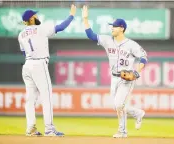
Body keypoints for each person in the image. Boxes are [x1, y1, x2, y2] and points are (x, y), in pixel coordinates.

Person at [82, 5, 147, 138]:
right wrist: (85, 18)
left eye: (115, 26)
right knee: (117, 106)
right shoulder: (107, 40)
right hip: (114, 78)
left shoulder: (131, 44)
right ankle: (137, 113)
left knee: (119, 104)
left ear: (122, 28)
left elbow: (143, 57)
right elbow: (91, 35)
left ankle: (122, 132)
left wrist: (137, 71)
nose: (112, 28)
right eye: (112, 26)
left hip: (126, 79)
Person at [18, 4, 76, 136]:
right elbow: (61, 27)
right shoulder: (41, 29)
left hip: (27, 66)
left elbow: (23, 53)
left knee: (30, 99)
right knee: (47, 96)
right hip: (39, 64)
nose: (37, 16)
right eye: (35, 15)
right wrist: (71, 15)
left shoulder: (20, 35)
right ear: (31, 19)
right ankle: (49, 129)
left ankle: (30, 128)